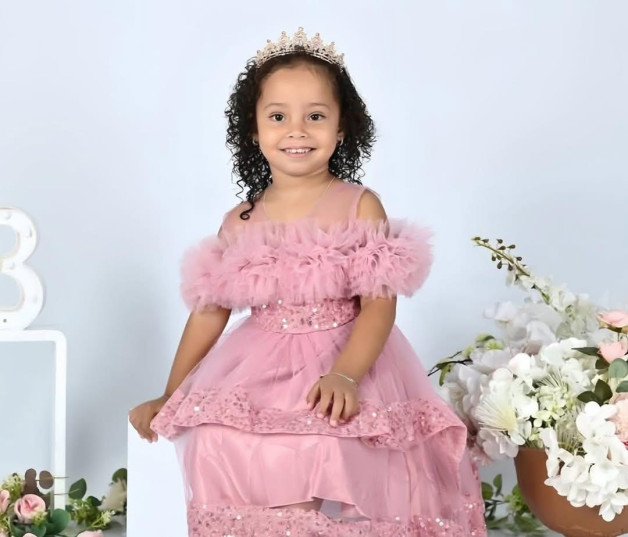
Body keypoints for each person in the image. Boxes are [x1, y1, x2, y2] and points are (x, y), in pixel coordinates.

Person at [129, 27, 487, 537]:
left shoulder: (358, 204)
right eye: (278, 117)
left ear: (342, 129)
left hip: (343, 354)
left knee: (324, 436)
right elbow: (209, 312)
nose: (296, 130)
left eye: (315, 116)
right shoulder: (240, 221)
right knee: (214, 435)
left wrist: (346, 376)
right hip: (260, 364)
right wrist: (172, 393)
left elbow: (379, 305)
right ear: (254, 132)